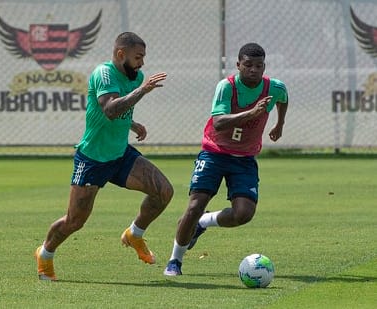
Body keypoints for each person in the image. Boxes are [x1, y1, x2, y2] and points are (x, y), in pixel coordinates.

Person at [35, 32, 174, 281]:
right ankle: (45, 254)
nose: (142, 63)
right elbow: (110, 109)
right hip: (93, 159)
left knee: (163, 191)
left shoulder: (137, 77)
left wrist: (133, 125)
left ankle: (134, 234)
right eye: (138, 57)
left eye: (143, 57)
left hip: (120, 155)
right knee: (75, 221)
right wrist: (142, 91)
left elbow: (122, 109)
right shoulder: (105, 73)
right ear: (121, 54)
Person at [163, 42, 288, 276]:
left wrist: (279, 124)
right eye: (248, 65)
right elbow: (219, 122)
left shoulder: (274, 87)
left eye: (258, 66)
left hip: (244, 158)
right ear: (238, 65)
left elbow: (283, 97)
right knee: (194, 206)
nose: (253, 70)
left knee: (244, 214)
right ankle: (175, 260)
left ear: (264, 67)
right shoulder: (226, 87)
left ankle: (204, 223)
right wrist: (251, 114)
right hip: (214, 152)